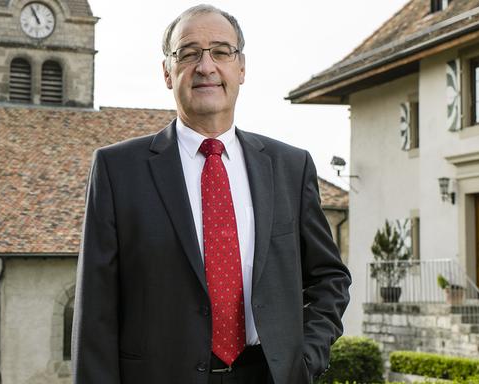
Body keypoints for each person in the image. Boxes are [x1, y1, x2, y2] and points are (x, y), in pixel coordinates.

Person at [71, 4, 351, 384]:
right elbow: (95, 310)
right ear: (167, 73)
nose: (206, 66)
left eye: (221, 51)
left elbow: (329, 278)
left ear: (241, 68)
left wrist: (305, 357)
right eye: (188, 54)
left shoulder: (290, 167)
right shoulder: (117, 170)